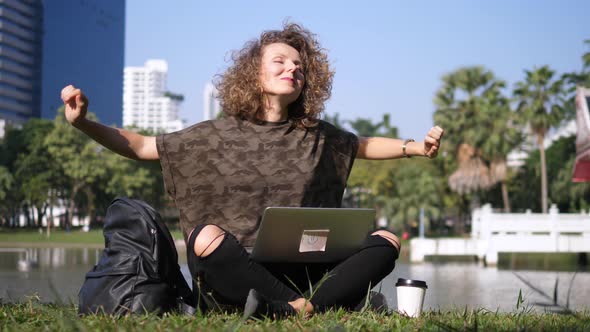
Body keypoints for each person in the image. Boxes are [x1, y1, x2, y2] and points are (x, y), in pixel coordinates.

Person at [61, 22, 443, 318]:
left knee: (387, 240)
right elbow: (144, 145)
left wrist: (415, 148)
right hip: (236, 275)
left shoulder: (318, 135)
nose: (292, 69)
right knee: (205, 236)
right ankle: (304, 308)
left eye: (298, 66)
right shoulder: (213, 134)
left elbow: (361, 145)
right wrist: (84, 124)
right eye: (280, 61)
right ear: (253, 74)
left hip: (303, 269)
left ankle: (296, 309)